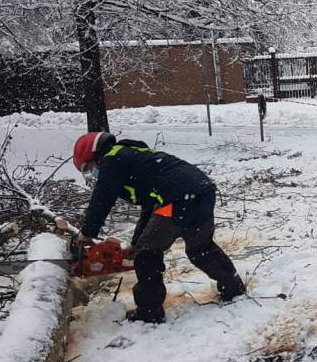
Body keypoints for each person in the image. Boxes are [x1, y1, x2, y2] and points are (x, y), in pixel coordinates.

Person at [72, 132, 245, 323]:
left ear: (94, 154)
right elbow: (150, 207)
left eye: (89, 168)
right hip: (202, 191)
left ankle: (149, 312)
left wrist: (87, 233)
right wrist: (135, 243)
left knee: (147, 253)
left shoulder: (112, 159)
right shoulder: (133, 156)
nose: (93, 174)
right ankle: (233, 288)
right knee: (200, 247)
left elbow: (102, 198)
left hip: (178, 198)